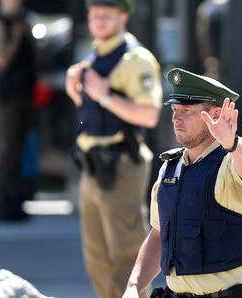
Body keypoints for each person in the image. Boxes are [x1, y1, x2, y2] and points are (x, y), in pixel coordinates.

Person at [122, 68, 242, 298]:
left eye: (187, 111)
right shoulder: (169, 168)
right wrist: (133, 287)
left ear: (217, 114)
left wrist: (232, 141)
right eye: (174, 109)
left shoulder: (232, 162)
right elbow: (159, 236)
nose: (176, 117)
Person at [64, 0, 162, 297]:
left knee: (127, 255)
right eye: (94, 16)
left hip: (121, 163)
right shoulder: (95, 55)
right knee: (96, 257)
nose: (99, 22)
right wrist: (77, 92)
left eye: (106, 16)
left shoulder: (136, 59)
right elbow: (98, 115)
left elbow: (149, 115)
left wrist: (104, 96)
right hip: (93, 165)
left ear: (123, 17)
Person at [0, 0, 38, 221]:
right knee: (5, 149)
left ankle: (13, 199)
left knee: (18, 149)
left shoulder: (24, 22)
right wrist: (16, 37)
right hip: (5, 97)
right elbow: (1, 63)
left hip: (23, 94)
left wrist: (28, 36)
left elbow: (36, 58)